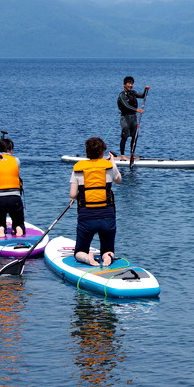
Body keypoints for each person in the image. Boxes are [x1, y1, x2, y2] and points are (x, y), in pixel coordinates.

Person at [69, 137, 122, 266]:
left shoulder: (78, 168)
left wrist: (78, 196)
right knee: (108, 249)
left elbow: (72, 194)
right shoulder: (109, 166)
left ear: (87, 152)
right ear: (102, 152)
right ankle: (107, 256)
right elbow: (119, 180)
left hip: (86, 217)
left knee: (79, 251)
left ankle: (87, 258)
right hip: (107, 216)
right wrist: (113, 162)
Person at [117, 76, 149, 160]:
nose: (131, 85)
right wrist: (137, 109)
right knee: (125, 136)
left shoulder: (133, 93)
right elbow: (126, 106)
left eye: (132, 84)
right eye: (129, 84)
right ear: (124, 85)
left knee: (135, 136)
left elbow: (143, 96)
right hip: (125, 118)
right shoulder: (122, 95)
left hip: (133, 117)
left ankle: (132, 154)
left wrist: (146, 90)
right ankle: (123, 155)